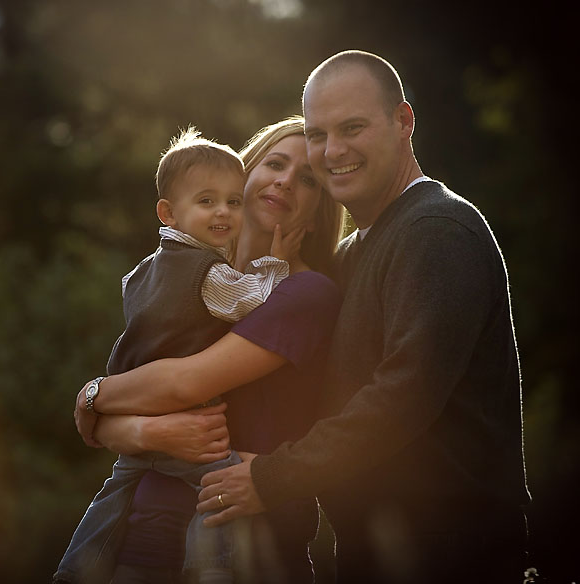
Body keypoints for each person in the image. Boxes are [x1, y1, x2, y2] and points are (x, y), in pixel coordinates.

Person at [80, 50, 532, 583]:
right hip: (369, 551)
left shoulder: (436, 231)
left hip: (453, 551)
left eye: (353, 127)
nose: (331, 151)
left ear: (404, 121)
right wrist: (123, 425)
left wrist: (92, 400)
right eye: (319, 134)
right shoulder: (344, 259)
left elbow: (403, 397)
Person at [71, 117, 346, 583]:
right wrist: (140, 431)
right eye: (275, 164)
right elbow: (123, 428)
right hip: (142, 541)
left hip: (246, 554)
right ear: (244, 174)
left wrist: (91, 399)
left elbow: (182, 384)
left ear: (319, 211)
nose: (284, 180)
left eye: (308, 179)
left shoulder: (307, 293)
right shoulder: (187, 281)